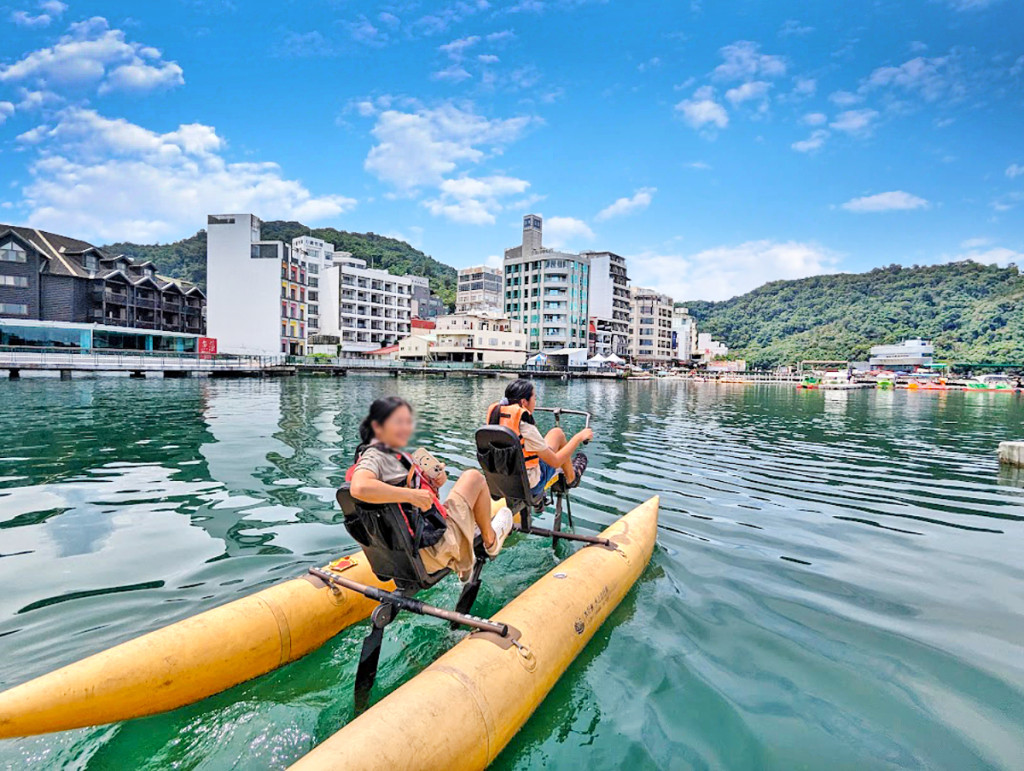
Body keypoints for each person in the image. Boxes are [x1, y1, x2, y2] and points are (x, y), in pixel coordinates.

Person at [348, 396, 513, 579]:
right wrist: (411, 495)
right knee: (473, 478)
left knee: (463, 495)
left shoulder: (387, 458)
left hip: (403, 554)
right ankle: (490, 543)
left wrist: (430, 482)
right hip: (432, 548)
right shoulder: (375, 455)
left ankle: (465, 562)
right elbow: (359, 487)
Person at [486, 379, 592, 498]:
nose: (535, 402)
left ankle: (568, 475)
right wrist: (579, 437)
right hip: (528, 485)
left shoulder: (495, 420)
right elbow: (555, 461)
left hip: (501, 482)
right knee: (560, 437)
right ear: (523, 402)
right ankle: (572, 478)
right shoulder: (525, 427)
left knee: (556, 433)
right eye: (534, 398)